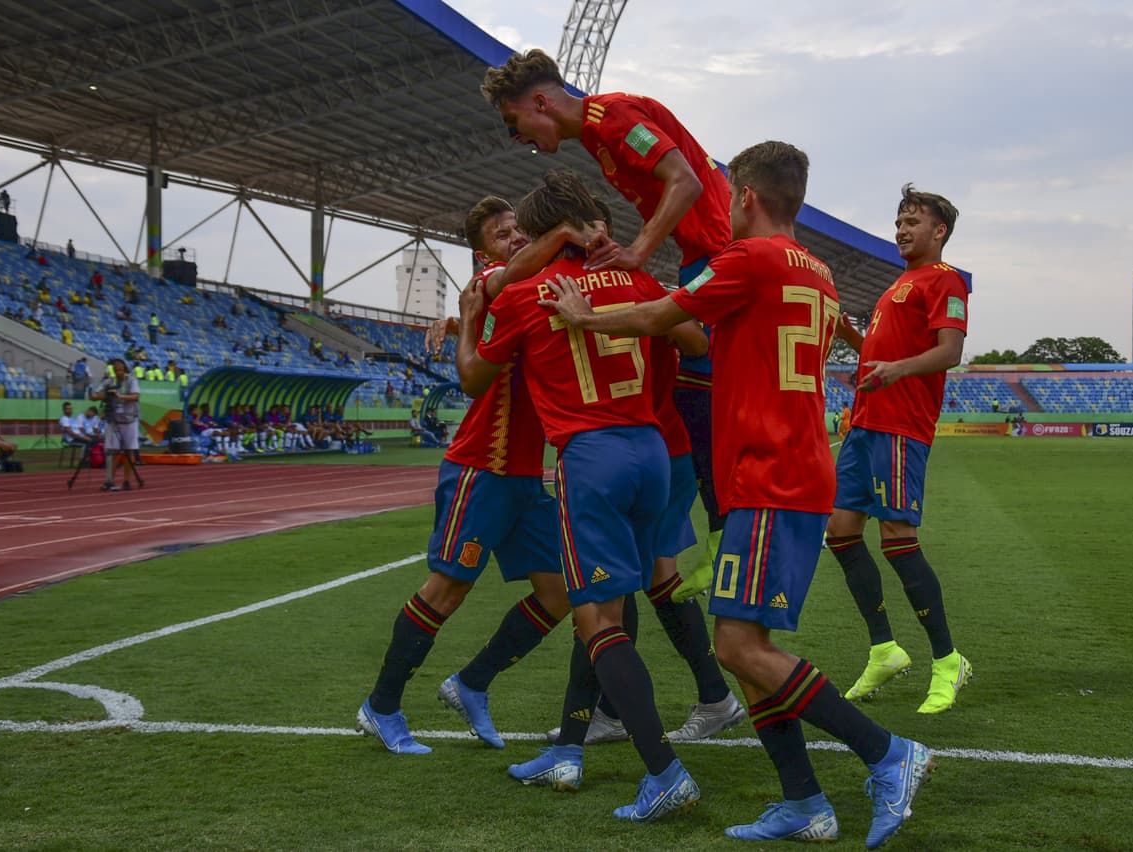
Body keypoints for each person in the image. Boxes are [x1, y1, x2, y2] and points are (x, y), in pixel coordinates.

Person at [544, 140, 931, 847]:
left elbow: (663, 316)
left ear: (747, 197)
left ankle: (889, 754)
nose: (721, 206)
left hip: (770, 474)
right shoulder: (816, 270)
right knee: (745, 645)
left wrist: (584, 318)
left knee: (740, 647)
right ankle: (804, 802)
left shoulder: (748, 260)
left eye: (727, 195)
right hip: (789, 468)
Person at [457, 172, 705, 823]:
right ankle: (569, 746)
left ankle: (664, 772)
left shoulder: (525, 295)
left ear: (538, 236)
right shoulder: (634, 281)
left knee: (597, 621)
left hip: (592, 461)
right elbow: (695, 338)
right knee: (618, 606)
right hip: (652, 450)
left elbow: (473, 379)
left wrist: (469, 319)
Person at [481, 49, 733, 602]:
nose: (520, 137)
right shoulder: (597, 138)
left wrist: (639, 251)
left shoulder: (612, 119)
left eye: (516, 121)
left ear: (541, 101)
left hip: (714, 253)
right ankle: (702, 538)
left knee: (699, 378)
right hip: (699, 254)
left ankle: (723, 536)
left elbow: (685, 181)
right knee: (688, 376)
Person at [356, 196, 573, 760]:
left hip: (526, 477)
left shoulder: (523, 285)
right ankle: (381, 707)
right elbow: (509, 282)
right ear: (483, 253)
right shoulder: (489, 282)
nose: (518, 239)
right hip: (481, 468)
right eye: (505, 234)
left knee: (559, 594)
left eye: (522, 230)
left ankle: (472, 683)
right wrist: (566, 228)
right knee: (446, 591)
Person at [825, 183, 972, 715]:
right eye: (899, 222)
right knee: (840, 535)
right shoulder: (898, 286)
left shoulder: (945, 280)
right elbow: (879, 357)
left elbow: (950, 352)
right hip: (865, 426)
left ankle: (947, 660)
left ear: (940, 231)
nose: (902, 230)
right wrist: (848, 332)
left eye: (913, 222)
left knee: (896, 539)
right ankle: (885, 648)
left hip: (900, 427)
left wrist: (895, 371)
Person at [90, 358, 141, 491]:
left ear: (124, 369)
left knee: (130, 450)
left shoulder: (131, 380)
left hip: (130, 420)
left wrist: (119, 396)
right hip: (114, 419)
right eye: (116, 369)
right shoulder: (109, 382)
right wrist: (107, 396)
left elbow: (136, 397)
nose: (118, 372)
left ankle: (127, 480)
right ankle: (110, 480)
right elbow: (93, 395)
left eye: (120, 369)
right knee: (112, 451)